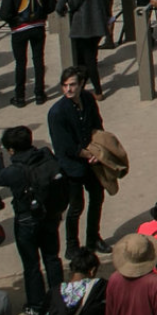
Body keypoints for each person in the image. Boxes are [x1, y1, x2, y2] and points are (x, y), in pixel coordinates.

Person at [0, 124, 67, 315]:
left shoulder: (15, 170)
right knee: (52, 258)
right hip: (51, 216)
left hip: (27, 221)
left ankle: (36, 304)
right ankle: (58, 298)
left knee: (32, 265)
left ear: (11, 150)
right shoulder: (46, 156)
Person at [49, 67, 107, 254]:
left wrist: (97, 149)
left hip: (90, 160)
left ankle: (93, 238)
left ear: (81, 84)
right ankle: (72, 246)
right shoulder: (57, 112)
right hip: (71, 166)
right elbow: (64, 145)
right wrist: (87, 154)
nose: (68, 89)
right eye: (65, 85)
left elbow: (97, 125)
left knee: (97, 196)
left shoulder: (88, 99)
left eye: (72, 85)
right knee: (76, 207)